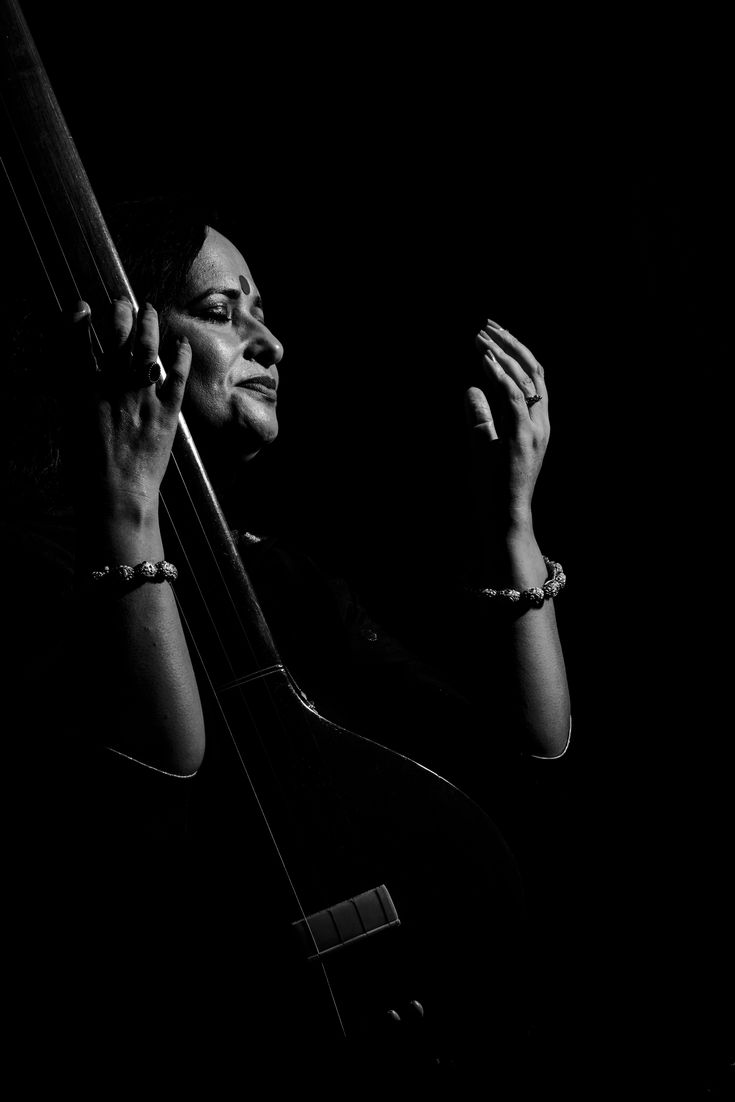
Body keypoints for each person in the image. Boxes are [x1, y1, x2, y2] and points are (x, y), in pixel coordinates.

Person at [3, 195, 570, 1093]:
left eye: (262, 312)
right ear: (131, 338)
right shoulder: (33, 560)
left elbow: (523, 750)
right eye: (224, 312)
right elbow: (162, 765)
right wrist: (126, 509)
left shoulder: (283, 576)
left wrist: (509, 521)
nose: (271, 342)